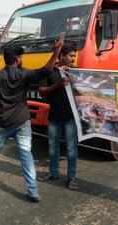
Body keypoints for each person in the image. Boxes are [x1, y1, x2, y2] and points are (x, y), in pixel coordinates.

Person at [0, 33, 65, 203]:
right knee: (26, 155)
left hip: (2, 123)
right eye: (20, 56)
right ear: (17, 59)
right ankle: (33, 191)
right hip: (22, 122)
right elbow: (47, 70)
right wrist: (56, 51)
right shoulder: (24, 75)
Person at [37, 44, 79, 190]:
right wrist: (58, 86)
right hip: (54, 116)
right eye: (70, 56)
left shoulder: (77, 72)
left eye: (74, 56)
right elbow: (42, 92)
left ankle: (72, 178)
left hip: (71, 117)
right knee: (53, 147)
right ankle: (53, 173)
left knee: (72, 148)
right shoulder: (49, 71)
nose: (73, 59)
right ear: (61, 56)